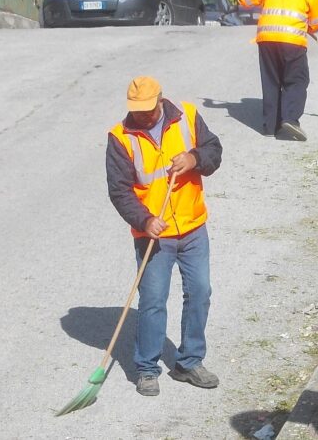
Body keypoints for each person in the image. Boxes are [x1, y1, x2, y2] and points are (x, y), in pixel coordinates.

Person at [105, 76, 222, 397]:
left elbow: (214, 151)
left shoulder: (187, 116)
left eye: (148, 108)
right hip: (153, 235)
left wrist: (195, 158)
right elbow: (119, 190)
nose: (142, 115)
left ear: (161, 100)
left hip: (193, 226)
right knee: (153, 301)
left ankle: (189, 362)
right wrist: (144, 220)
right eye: (137, 110)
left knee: (200, 292)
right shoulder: (121, 138)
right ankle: (146, 368)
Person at [237, 0, 318, 141]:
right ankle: (290, 120)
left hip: (267, 39)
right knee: (297, 80)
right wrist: (310, 26)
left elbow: (245, 0)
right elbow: (317, 23)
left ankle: (270, 126)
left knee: (271, 81)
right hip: (293, 41)